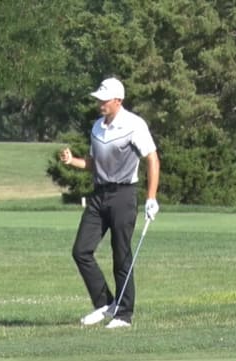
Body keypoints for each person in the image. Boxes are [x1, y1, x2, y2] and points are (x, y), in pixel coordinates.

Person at [59, 77, 160, 329]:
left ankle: (124, 314)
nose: (100, 103)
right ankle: (106, 304)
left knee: (121, 254)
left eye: (104, 100)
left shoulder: (134, 125)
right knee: (81, 251)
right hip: (99, 195)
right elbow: (94, 164)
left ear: (118, 101)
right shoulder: (96, 127)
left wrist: (151, 197)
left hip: (124, 195)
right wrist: (73, 161)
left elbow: (152, 159)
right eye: (99, 99)